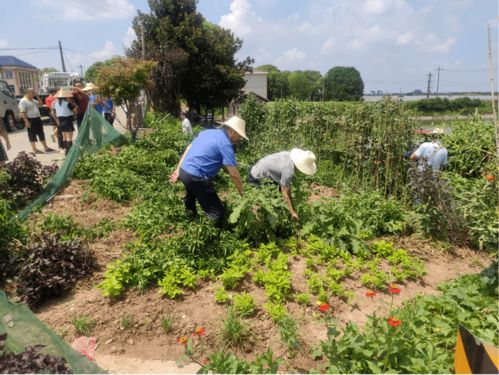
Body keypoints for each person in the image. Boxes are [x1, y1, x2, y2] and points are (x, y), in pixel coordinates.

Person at [169, 116, 248, 227]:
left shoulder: (208, 132)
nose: (239, 139)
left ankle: (189, 223)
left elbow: (189, 147)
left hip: (184, 171)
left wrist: (178, 169)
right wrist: (242, 193)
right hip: (197, 177)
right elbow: (234, 174)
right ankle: (212, 238)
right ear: (233, 131)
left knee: (191, 198)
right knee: (216, 212)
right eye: (239, 136)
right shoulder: (225, 144)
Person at [248, 149, 317, 222]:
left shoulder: (289, 155)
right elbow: (285, 193)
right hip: (256, 178)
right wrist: (292, 211)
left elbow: (286, 186)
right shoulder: (288, 170)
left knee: (278, 195)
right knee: (260, 207)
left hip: (259, 168)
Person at [18, 88, 54, 154]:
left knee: (41, 133)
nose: (34, 94)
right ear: (28, 93)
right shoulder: (23, 101)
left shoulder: (33, 100)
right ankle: (34, 149)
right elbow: (22, 112)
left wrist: (37, 96)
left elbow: (40, 104)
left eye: (34, 93)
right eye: (32, 93)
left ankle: (46, 147)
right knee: (32, 134)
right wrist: (26, 121)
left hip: (37, 119)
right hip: (30, 119)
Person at [51, 88, 78, 155]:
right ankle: (70, 152)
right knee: (69, 138)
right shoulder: (67, 103)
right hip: (67, 120)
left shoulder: (56, 103)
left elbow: (54, 112)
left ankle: (66, 151)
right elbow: (75, 111)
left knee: (64, 137)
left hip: (61, 120)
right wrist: (74, 106)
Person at [44, 87, 64, 152]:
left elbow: (48, 106)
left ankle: (54, 134)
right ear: (54, 92)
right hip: (56, 112)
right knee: (59, 127)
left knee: (55, 126)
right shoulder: (55, 98)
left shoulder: (47, 98)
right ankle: (55, 135)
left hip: (51, 112)